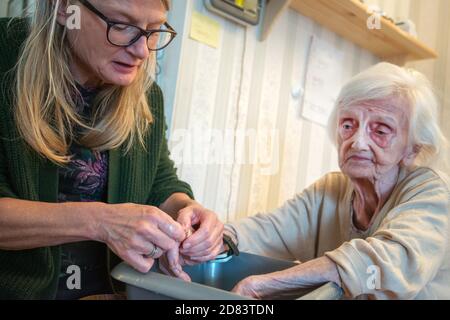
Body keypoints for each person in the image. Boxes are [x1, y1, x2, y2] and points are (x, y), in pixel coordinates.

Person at [0, 0, 223, 299]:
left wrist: (188, 211)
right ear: (66, 8)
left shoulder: (146, 97)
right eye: (122, 26)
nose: (142, 51)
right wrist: (98, 221)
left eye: (154, 31)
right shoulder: (5, 57)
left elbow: (159, 181)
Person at [223, 62, 450, 299]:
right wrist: (215, 237)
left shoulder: (432, 193)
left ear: (412, 150)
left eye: (380, 131)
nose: (357, 142)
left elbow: (383, 264)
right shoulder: (332, 189)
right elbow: (268, 231)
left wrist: (263, 285)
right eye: (348, 125)